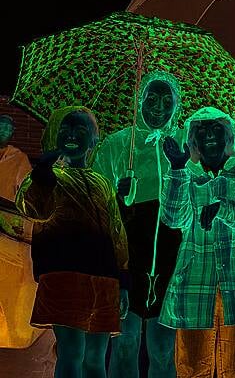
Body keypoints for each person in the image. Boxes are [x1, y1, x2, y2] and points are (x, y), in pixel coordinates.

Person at [158, 106, 235, 378]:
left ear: (229, 137)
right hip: (194, 288)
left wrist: (223, 207)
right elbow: (173, 218)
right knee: (191, 370)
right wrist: (177, 170)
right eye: (201, 131)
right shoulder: (185, 178)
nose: (209, 135)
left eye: (216, 129)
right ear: (193, 143)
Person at [15, 106, 129, 378]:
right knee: (71, 351)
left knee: (95, 357)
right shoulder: (47, 177)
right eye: (66, 128)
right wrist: (43, 171)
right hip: (63, 277)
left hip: (103, 281)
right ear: (55, 134)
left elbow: (116, 233)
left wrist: (123, 281)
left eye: (81, 130)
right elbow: (34, 210)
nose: (72, 134)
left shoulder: (102, 183)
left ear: (93, 140)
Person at [93, 70, 183, 378]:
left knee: (163, 347)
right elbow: (97, 201)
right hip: (129, 257)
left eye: (166, 99)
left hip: (171, 257)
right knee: (125, 341)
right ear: (138, 100)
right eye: (151, 99)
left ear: (177, 104)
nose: (158, 107)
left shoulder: (184, 141)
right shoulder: (118, 144)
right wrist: (118, 197)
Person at [0, 114, 39, 348]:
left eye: (8, 128)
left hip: (7, 233)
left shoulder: (18, 159)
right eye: (0, 126)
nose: (4, 131)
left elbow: (26, 195)